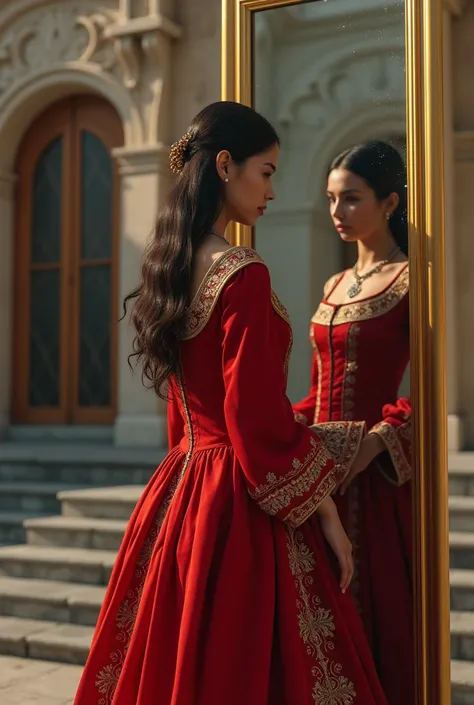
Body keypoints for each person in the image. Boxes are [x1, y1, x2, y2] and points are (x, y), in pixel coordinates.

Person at [74, 103, 388, 705]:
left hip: (183, 487)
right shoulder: (243, 272)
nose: (272, 189)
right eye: (266, 172)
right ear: (226, 165)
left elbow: (183, 408)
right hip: (241, 494)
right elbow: (255, 419)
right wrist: (325, 509)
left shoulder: (173, 264)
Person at [293, 140, 413, 705]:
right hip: (319, 476)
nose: (337, 212)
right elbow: (317, 392)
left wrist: (373, 446)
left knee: (373, 608)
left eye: (352, 199)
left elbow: (428, 394)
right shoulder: (331, 286)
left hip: (374, 480)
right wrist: (279, 431)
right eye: (331, 199)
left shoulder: (414, 280)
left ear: (390, 202)